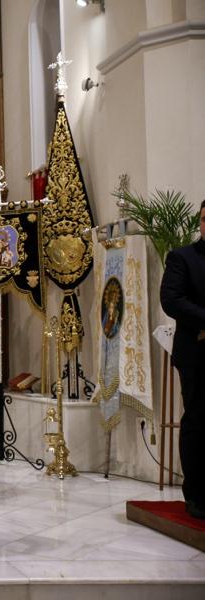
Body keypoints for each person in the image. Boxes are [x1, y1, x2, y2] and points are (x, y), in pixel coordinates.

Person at [160, 199, 205, 519]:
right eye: (204, 219)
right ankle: (198, 494)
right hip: (199, 354)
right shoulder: (183, 258)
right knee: (199, 421)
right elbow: (172, 300)